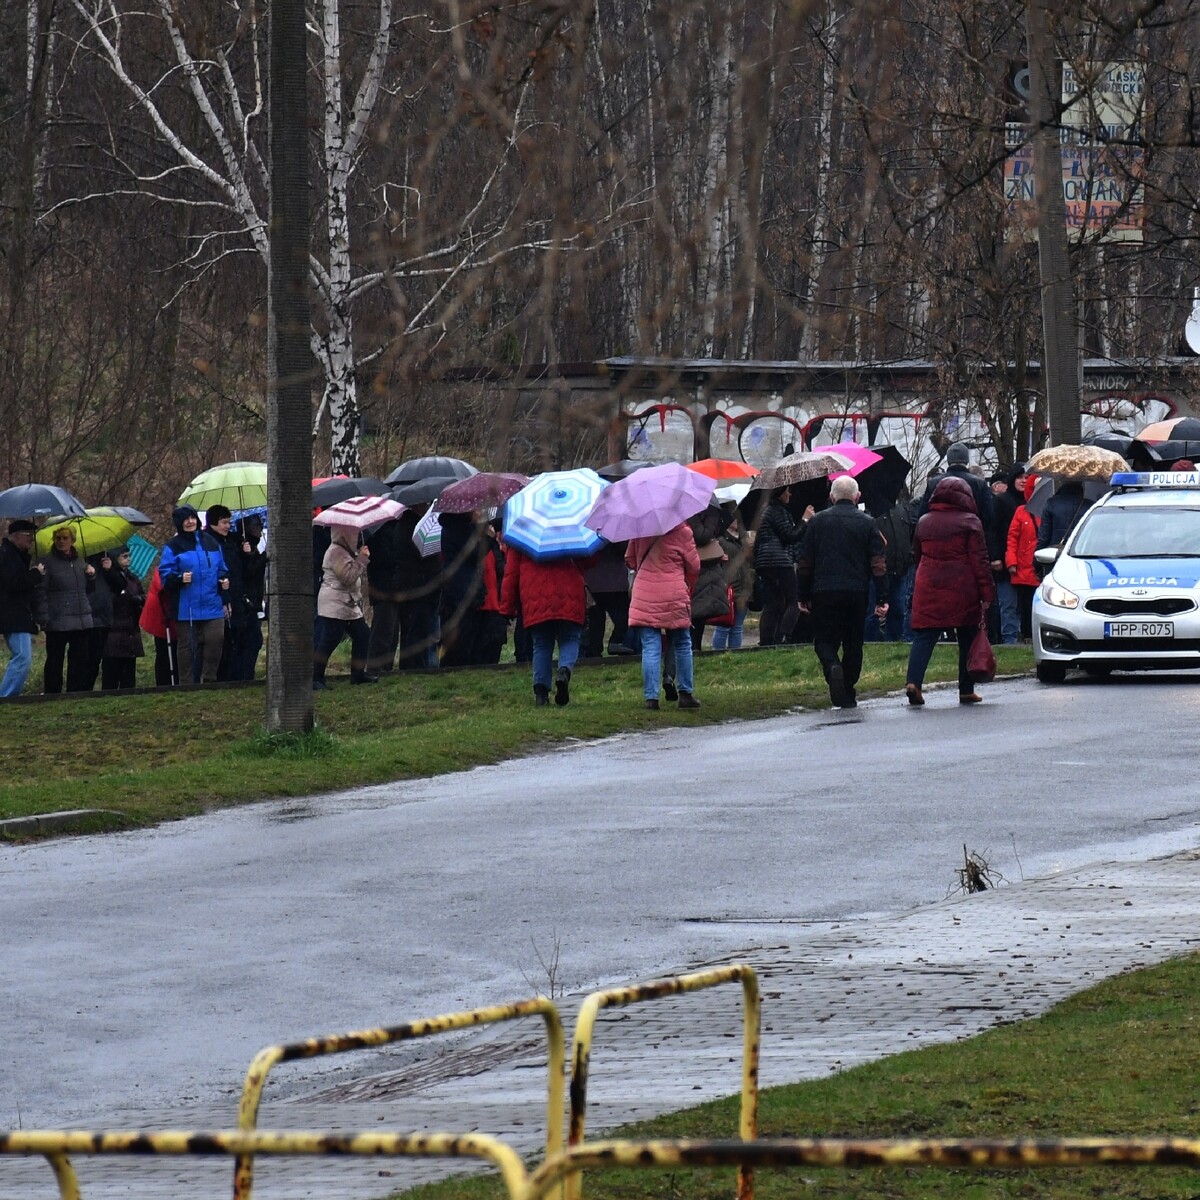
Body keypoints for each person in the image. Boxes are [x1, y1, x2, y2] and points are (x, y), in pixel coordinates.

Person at [797, 475, 888, 708]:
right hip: (857, 592)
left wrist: (803, 594)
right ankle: (847, 688)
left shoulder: (817, 522)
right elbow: (878, 563)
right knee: (853, 642)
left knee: (824, 641)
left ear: (831, 496)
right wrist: (882, 596)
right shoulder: (868, 523)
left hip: (824, 590)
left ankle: (832, 667)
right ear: (857, 497)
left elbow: (805, 562)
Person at [905, 476, 996, 706]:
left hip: (929, 585)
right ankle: (966, 689)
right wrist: (987, 591)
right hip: (962, 587)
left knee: (924, 637)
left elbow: (916, 555)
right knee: (967, 636)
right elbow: (980, 561)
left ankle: (913, 682)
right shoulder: (971, 522)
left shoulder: (924, 522)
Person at [499, 543, 587, 706]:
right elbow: (588, 560)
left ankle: (541, 693)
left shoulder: (524, 531)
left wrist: (507, 607)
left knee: (541, 644)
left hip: (535, 595)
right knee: (570, 638)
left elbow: (511, 573)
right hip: (568, 589)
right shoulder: (570, 523)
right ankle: (564, 671)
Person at [627, 520, 700, 710]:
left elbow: (630, 558)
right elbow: (694, 566)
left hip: (644, 591)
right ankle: (685, 694)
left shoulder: (640, 527)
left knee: (650, 646)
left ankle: (651, 698)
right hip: (674, 591)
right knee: (682, 643)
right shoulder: (683, 531)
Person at [159, 504, 230, 684]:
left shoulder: (211, 542)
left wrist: (224, 580)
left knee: (216, 641)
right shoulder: (172, 546)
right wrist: (179, 578)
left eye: (192, 518)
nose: (190, 522)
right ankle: (187, 683)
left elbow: (222, 568)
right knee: (187, 648)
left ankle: (209, 679)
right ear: (179, 522)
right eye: (186, 519)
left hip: (212, 604)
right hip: (186, 607)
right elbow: (165, 575)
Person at [366, 505, 442, 671]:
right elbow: (384, 558)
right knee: (385, 632)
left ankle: (393, 666)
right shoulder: (383, 530)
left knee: (397, 631)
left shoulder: (398, 526)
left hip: (397, 585)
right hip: (386, 587)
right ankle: (378, 668)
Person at [313, 523, 377, 688]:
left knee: (362, 635)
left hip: (346, 603)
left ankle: (358, 674)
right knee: (329, 641)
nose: (355, 536)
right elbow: (347, 577)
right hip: (335, 603)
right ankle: (316, 678)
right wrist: (362, 559)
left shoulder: (345, 551)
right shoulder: (336, 552)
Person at [37, 525, 96, 693]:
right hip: (57, 618)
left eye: (65, 538)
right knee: (55, 659)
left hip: (81, 618)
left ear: (72, 540)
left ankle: (75, 692)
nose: (61, 541)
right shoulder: (47, 562)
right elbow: (41, 591)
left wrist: (92, 576)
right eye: (58, 538)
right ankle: (52, 693)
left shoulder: (80, 561)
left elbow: (89, 590)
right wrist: (43, 617)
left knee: (79, 659)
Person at [752, 486, 807, 645]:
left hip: (765, 562)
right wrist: (804, 520)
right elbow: (790, 535)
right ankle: (784, 636)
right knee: (794, 600)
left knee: (772, 603)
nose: (790, 494)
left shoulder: (766, 511)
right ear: (780, 493)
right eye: (787, 491)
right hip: (780, 561)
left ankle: (766, 640)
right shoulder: (777, 511)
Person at [0, 520, 44, 697]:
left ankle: (9, 694)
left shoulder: (15, 555)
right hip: (13, 614)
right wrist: (35, 574)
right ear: (16, 536)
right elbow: (14, 583)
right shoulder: (7, 556)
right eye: (28, 535)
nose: (31, 540)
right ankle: (6, 696)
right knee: (22, 657)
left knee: (22, 656)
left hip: (16, 613)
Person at [865, 489, 916, 643]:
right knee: (871, 612)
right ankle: (869, 642)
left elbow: (912, 535)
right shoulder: (869, 513)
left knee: (898, 610)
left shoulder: (903, 510)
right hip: (876, 572)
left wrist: (910, 557)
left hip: (900, 570)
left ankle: (894, 642)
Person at [437, 510, 487, 667]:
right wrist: (487, 537)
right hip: (464, 585)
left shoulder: (448, 527)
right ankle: (461, 665)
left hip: (452, 584)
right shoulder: (462, 529)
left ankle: (450, 663)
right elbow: (474, 554)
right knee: (465, 630)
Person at [989, 463, 1027, 645]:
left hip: (1026, 562)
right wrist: (995, 556)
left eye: (1026, 478)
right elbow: (993, 530)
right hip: (1006, 561)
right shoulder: (1002, 501)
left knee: (1022, 605)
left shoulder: (1032, 502)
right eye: (1020, 477)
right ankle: (1010, 640)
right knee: (1008, 604)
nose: (1023, 481)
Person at [100, 546, 145, 689]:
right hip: (114, 629)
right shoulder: (107, 578)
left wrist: (140, 599)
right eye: (124, 556)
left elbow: (143, 594)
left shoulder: (132, 578)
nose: (128, 559)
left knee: (129, 675)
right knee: (111, 673)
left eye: (129, 556)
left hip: (130, 628)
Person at [582, 541, 636, 657]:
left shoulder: (588, 531)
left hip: (593, 581)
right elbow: (626, 552)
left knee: (596, 621)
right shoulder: (616, 530)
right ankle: (616, 641)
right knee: (625, 616)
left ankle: (594, 651)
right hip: (615, 583)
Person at [711, 511, 755, 651]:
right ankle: (717, 654)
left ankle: (735, 655)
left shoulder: (744, 541)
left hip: (743, 589)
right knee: (723, 626)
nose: (736, 521)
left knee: (737, 627)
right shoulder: (721, 541)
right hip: (728, 589)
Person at [1006, 473, 1041, 640]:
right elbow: (1012, 537)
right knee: (1025, 605)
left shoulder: (1047, 509)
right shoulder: (1021, 511)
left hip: (1039, 567)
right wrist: (1011, 561)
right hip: (1023, 568)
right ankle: (1027, 635)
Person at [232, 513, 266, 680]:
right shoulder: (241, 548)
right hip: (246, 602)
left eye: (260, 526)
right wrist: (262, 557)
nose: (259, 530)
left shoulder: (253, 548)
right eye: (255, 527)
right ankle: (244, 676)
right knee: (250, 640)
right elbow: (249, 572)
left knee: (254, 640)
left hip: (254, 602)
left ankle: (247, 675)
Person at [139, 565, 177, 686]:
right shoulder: (164, 569)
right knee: (164, 653)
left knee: (170, 651)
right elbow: (163, 587)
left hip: (167, 615)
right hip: (161, 617)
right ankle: (163, 683)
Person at [1036, 479, 1094, 552]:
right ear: (1081, 483)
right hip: (1081, 554)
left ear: (1061, 482)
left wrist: (1038, 558)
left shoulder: (1051, 503)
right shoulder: (1091, 506)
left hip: (1055, 554)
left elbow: (1044, 537)